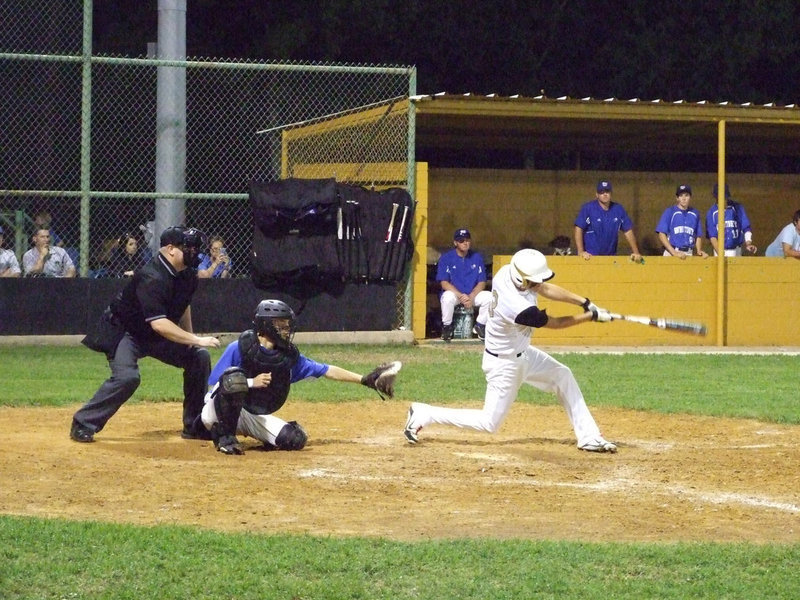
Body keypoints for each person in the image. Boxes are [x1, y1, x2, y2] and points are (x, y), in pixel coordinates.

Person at [404, 248, 617, 453]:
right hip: (504, 364)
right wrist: (591, 317)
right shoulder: (518, 308)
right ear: (522, 279)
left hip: (523, 353)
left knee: (563, 375)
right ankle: (425, 413)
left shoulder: (508, 271)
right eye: (533, 281)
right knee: (489, 423)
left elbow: (544, 288)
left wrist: (585, 303)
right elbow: (556, 323)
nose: (538, 284)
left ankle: (589, 436)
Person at [70, 226, 221, 443]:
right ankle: (83, 423)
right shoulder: (152, 276)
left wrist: (190, 337)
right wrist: (197, 339)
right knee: (127, 378)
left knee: (198, 357)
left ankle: (194, 425)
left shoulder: (187, 275)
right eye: (188, 247)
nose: (194, 252)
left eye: (196, 248)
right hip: (126, 332)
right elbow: (159, 324)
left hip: (154, 336)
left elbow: (183, 305)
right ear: (170, 249)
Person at [198, 299, 401, 454]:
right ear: (266, 325)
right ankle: (224, 438)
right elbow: (217, 385)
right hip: (216, 412)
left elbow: (326, 370)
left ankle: (252, 435)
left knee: (293, 439)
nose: (287, 330)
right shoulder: (239, 348)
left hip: (247, 414)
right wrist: (251, 382)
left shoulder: (286, 357)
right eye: (281, 324)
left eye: (287, 325)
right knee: (234, 380)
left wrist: (365, 379)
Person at [435, 228, 492, 341]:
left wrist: (471, 297)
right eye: (461, 241)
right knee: (447, 297)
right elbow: (444, 283)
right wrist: (461, 296)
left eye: (467, 240)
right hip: (456, 295)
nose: (465, 243)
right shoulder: (446, 258)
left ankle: (480, 325)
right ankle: (447, 327)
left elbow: (482, 282)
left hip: (472, 295)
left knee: (490, 297)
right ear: (455, 243)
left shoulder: (476, 257)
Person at [574, 180, 643, 262]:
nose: (605, 194)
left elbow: (628, 231)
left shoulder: (618, 209)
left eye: (607, 191)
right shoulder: (588, 208)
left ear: (611, 193)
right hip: (590, 258)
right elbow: (579, 228)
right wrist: (580, 251)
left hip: (610, 258)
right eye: (601, 192)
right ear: (597, 194)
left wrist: (636, 252)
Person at [655, 184, 709, 258]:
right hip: (672, 251)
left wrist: (699, 250)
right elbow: (661, 234)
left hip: (688, 252)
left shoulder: (695, 213)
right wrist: (674, 252)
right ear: (677, 198)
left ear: (690, 197)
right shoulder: (670, 211)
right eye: (681, 196)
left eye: (686, 195)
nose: (684, 198)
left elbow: (698, 235)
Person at [705, 183, 757, 256]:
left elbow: (746, 228)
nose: (723, 199)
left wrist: (748, 243)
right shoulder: (711, 212)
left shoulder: (737, 207)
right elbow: (712, 236)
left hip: (736, 249)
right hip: (720, 250)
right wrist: (720, 254)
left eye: (725, 197)